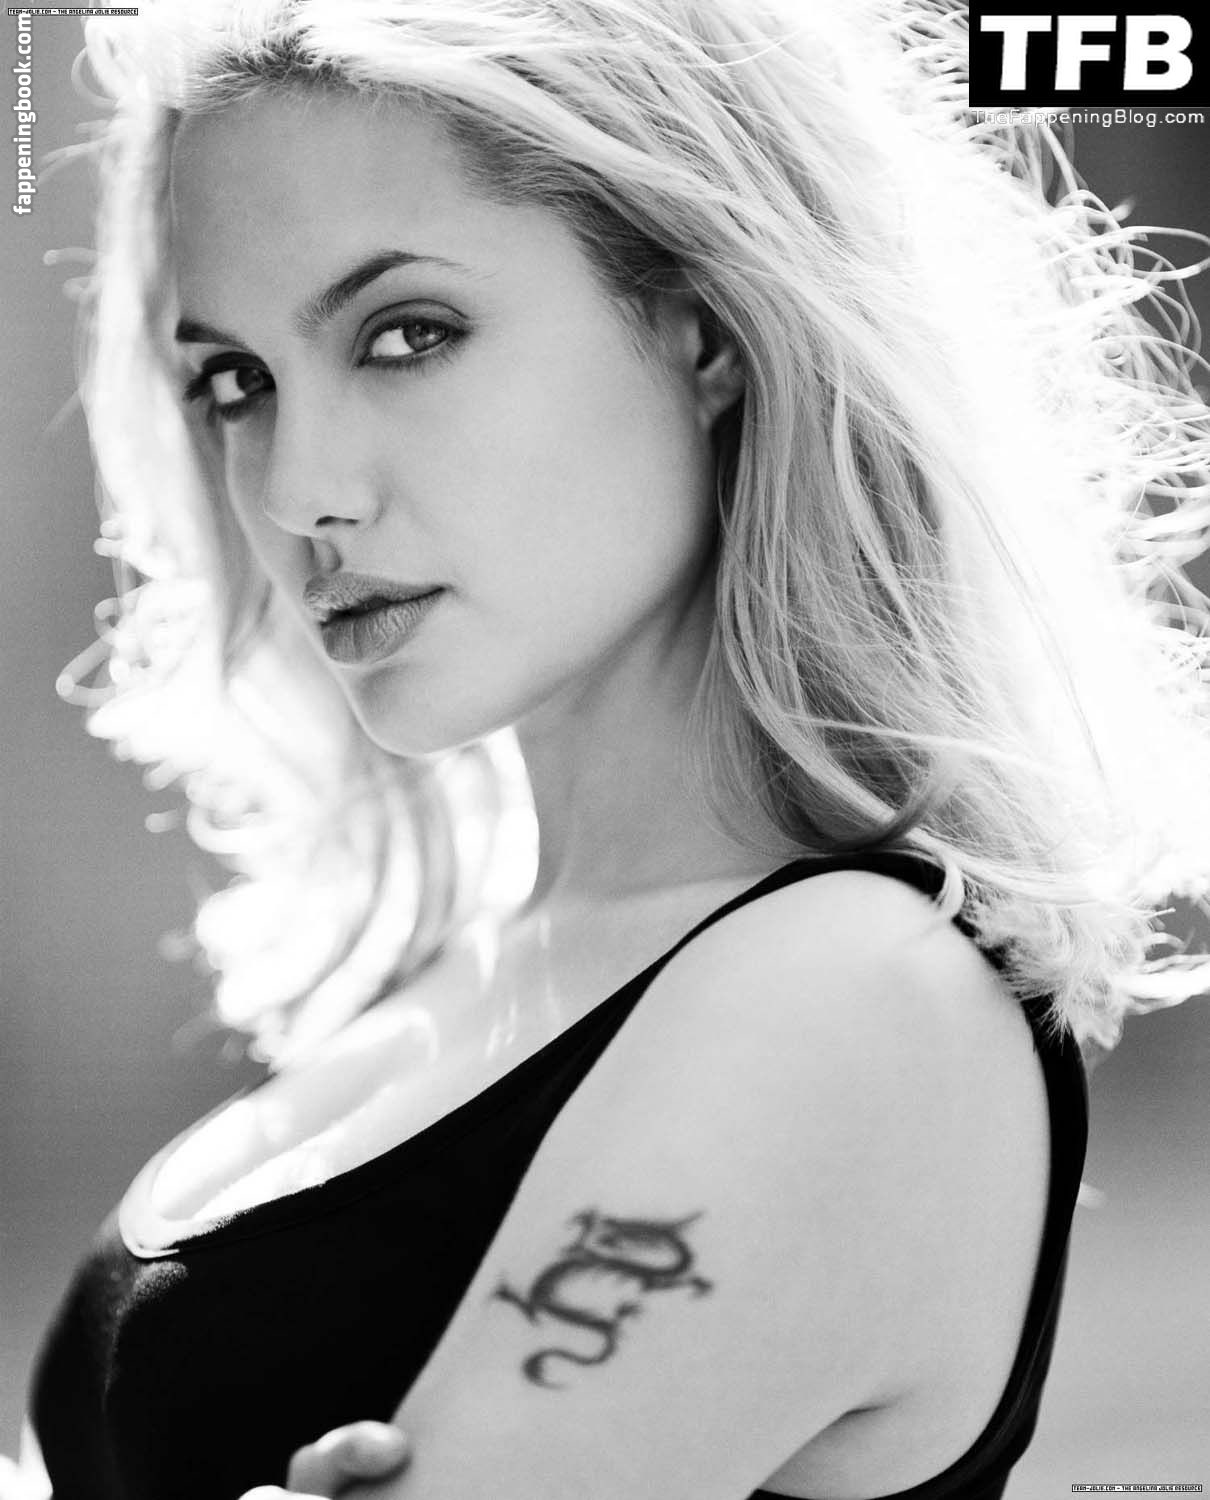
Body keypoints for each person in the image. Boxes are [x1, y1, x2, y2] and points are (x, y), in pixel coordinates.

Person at [16, 0, 1210, 1496]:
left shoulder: (843, 1001)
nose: (298, 489)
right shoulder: (459, 979)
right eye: (236, 382)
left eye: (406, 336)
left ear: (705, 331)